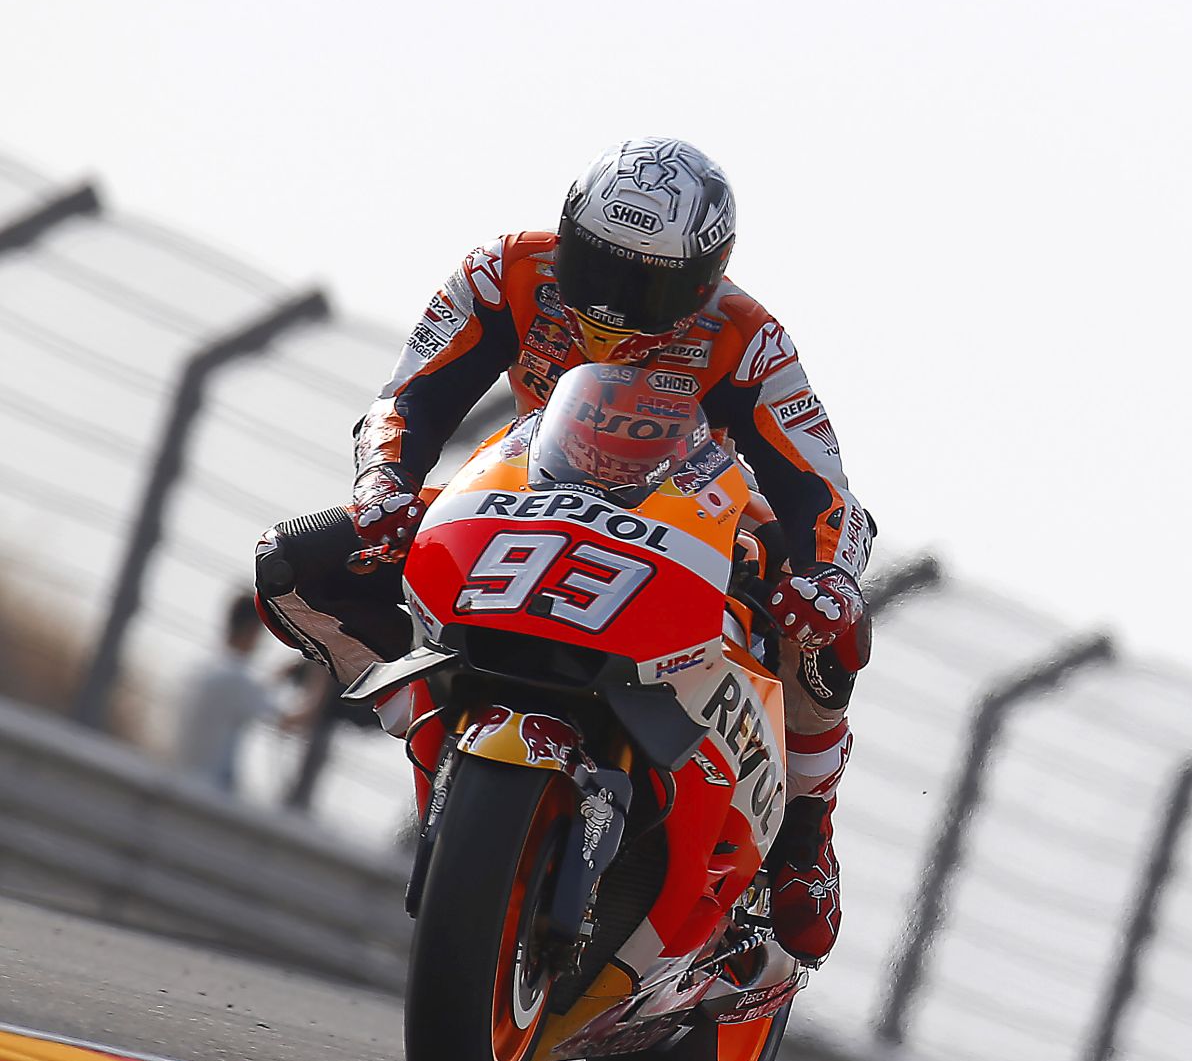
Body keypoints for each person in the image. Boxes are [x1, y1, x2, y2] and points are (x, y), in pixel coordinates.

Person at [254, 138, 871, 960]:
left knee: (828, 628)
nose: (613, 306)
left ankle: (804, 837)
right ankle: (428, 706)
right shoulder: (503, 271)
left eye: (645, 284)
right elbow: (406, 398)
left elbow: (824, 487)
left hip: (698, 528)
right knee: (293, 567)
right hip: (521, 498)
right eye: (599, 268)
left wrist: (827, 574)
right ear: (567, 233)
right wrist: (382, 489)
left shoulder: (748, 336)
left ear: (704, 277)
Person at [172, 593, 286, 792]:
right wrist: (322, 677)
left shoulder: (202, 669)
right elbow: (290, 722)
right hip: (213, 788)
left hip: (182, 777)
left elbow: (247, 697)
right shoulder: (238, 679)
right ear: (252, 630)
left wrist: (278, 678)